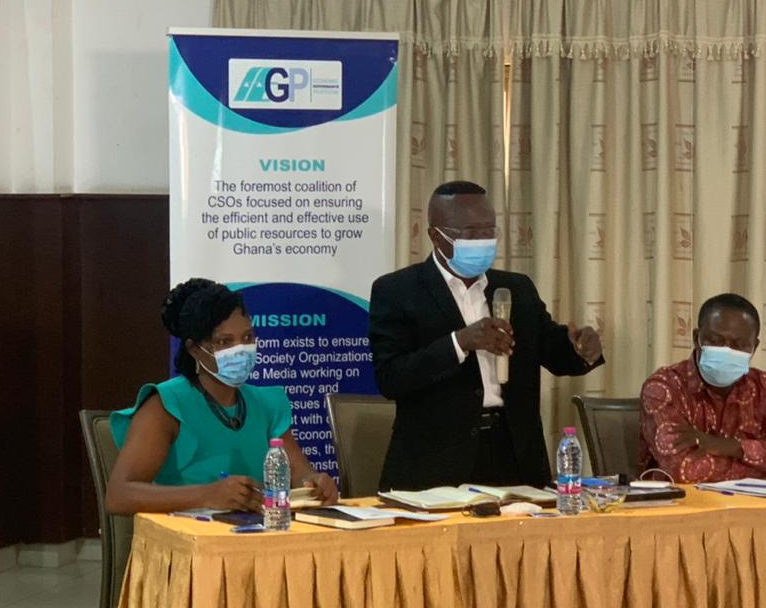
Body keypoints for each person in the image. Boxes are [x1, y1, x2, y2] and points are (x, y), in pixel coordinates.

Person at [369, 180, 604, 490]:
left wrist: (581, 349)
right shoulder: (398, 291)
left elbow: (550, 349)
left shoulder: (517, 288)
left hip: (514, 455)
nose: (483, 240)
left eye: (489, 230)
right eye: (470, 233)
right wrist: (460, 342)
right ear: (435, 236)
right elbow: (391, 377)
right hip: (435, 465)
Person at [105, 278, 338, 514]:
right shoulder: (166, 404)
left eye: (248, 338)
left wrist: (316, 483)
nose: (241, 349)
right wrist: (207, 495)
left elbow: (299, 474)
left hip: (256, 536)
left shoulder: (267, 402)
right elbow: (119, 496)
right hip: (190, 540)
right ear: (195, 349)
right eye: (225, 342)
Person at [639, 293, 766, 483]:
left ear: (755, 346)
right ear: (696, 338)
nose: (727, 350)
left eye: (739, 344)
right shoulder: (664, 387)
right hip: (681, 508)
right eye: (716, 341)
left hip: (754, 507)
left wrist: (732, 447)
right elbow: (684, 469)